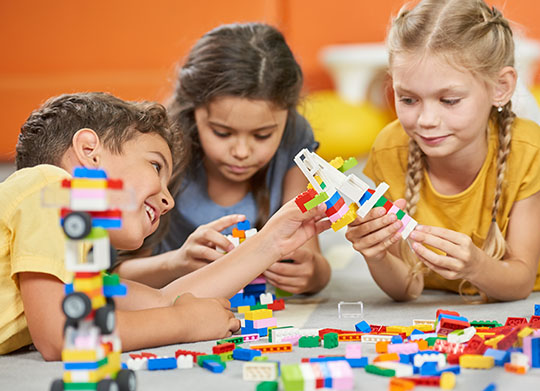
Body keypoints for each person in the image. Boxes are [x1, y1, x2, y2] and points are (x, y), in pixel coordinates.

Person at [1, 92, 330, 360]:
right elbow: (63, 337)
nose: (168, 200)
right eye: (155, 166)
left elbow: (164, 300)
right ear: (90, 152)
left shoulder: (66, 263)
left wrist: (273, 241)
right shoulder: (49, 187)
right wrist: (184, 323)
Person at [345, 0, 540, 302]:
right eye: (408, 100)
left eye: (449, 100)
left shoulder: (527, 151)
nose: (426, 121)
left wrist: (475, 266)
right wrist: (377, 254)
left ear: (500, 87)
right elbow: (407, 289)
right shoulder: (390, 148)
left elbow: (519, 282)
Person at [115, 23, 331, 294]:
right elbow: (110, 277)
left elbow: (313, 261)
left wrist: (313, 273)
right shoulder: (159, 148)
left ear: (286, 117)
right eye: (222, 132)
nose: (241, 151)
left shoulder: (294, 137)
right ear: (194, 112)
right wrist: (176, 263)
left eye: (262, 135)